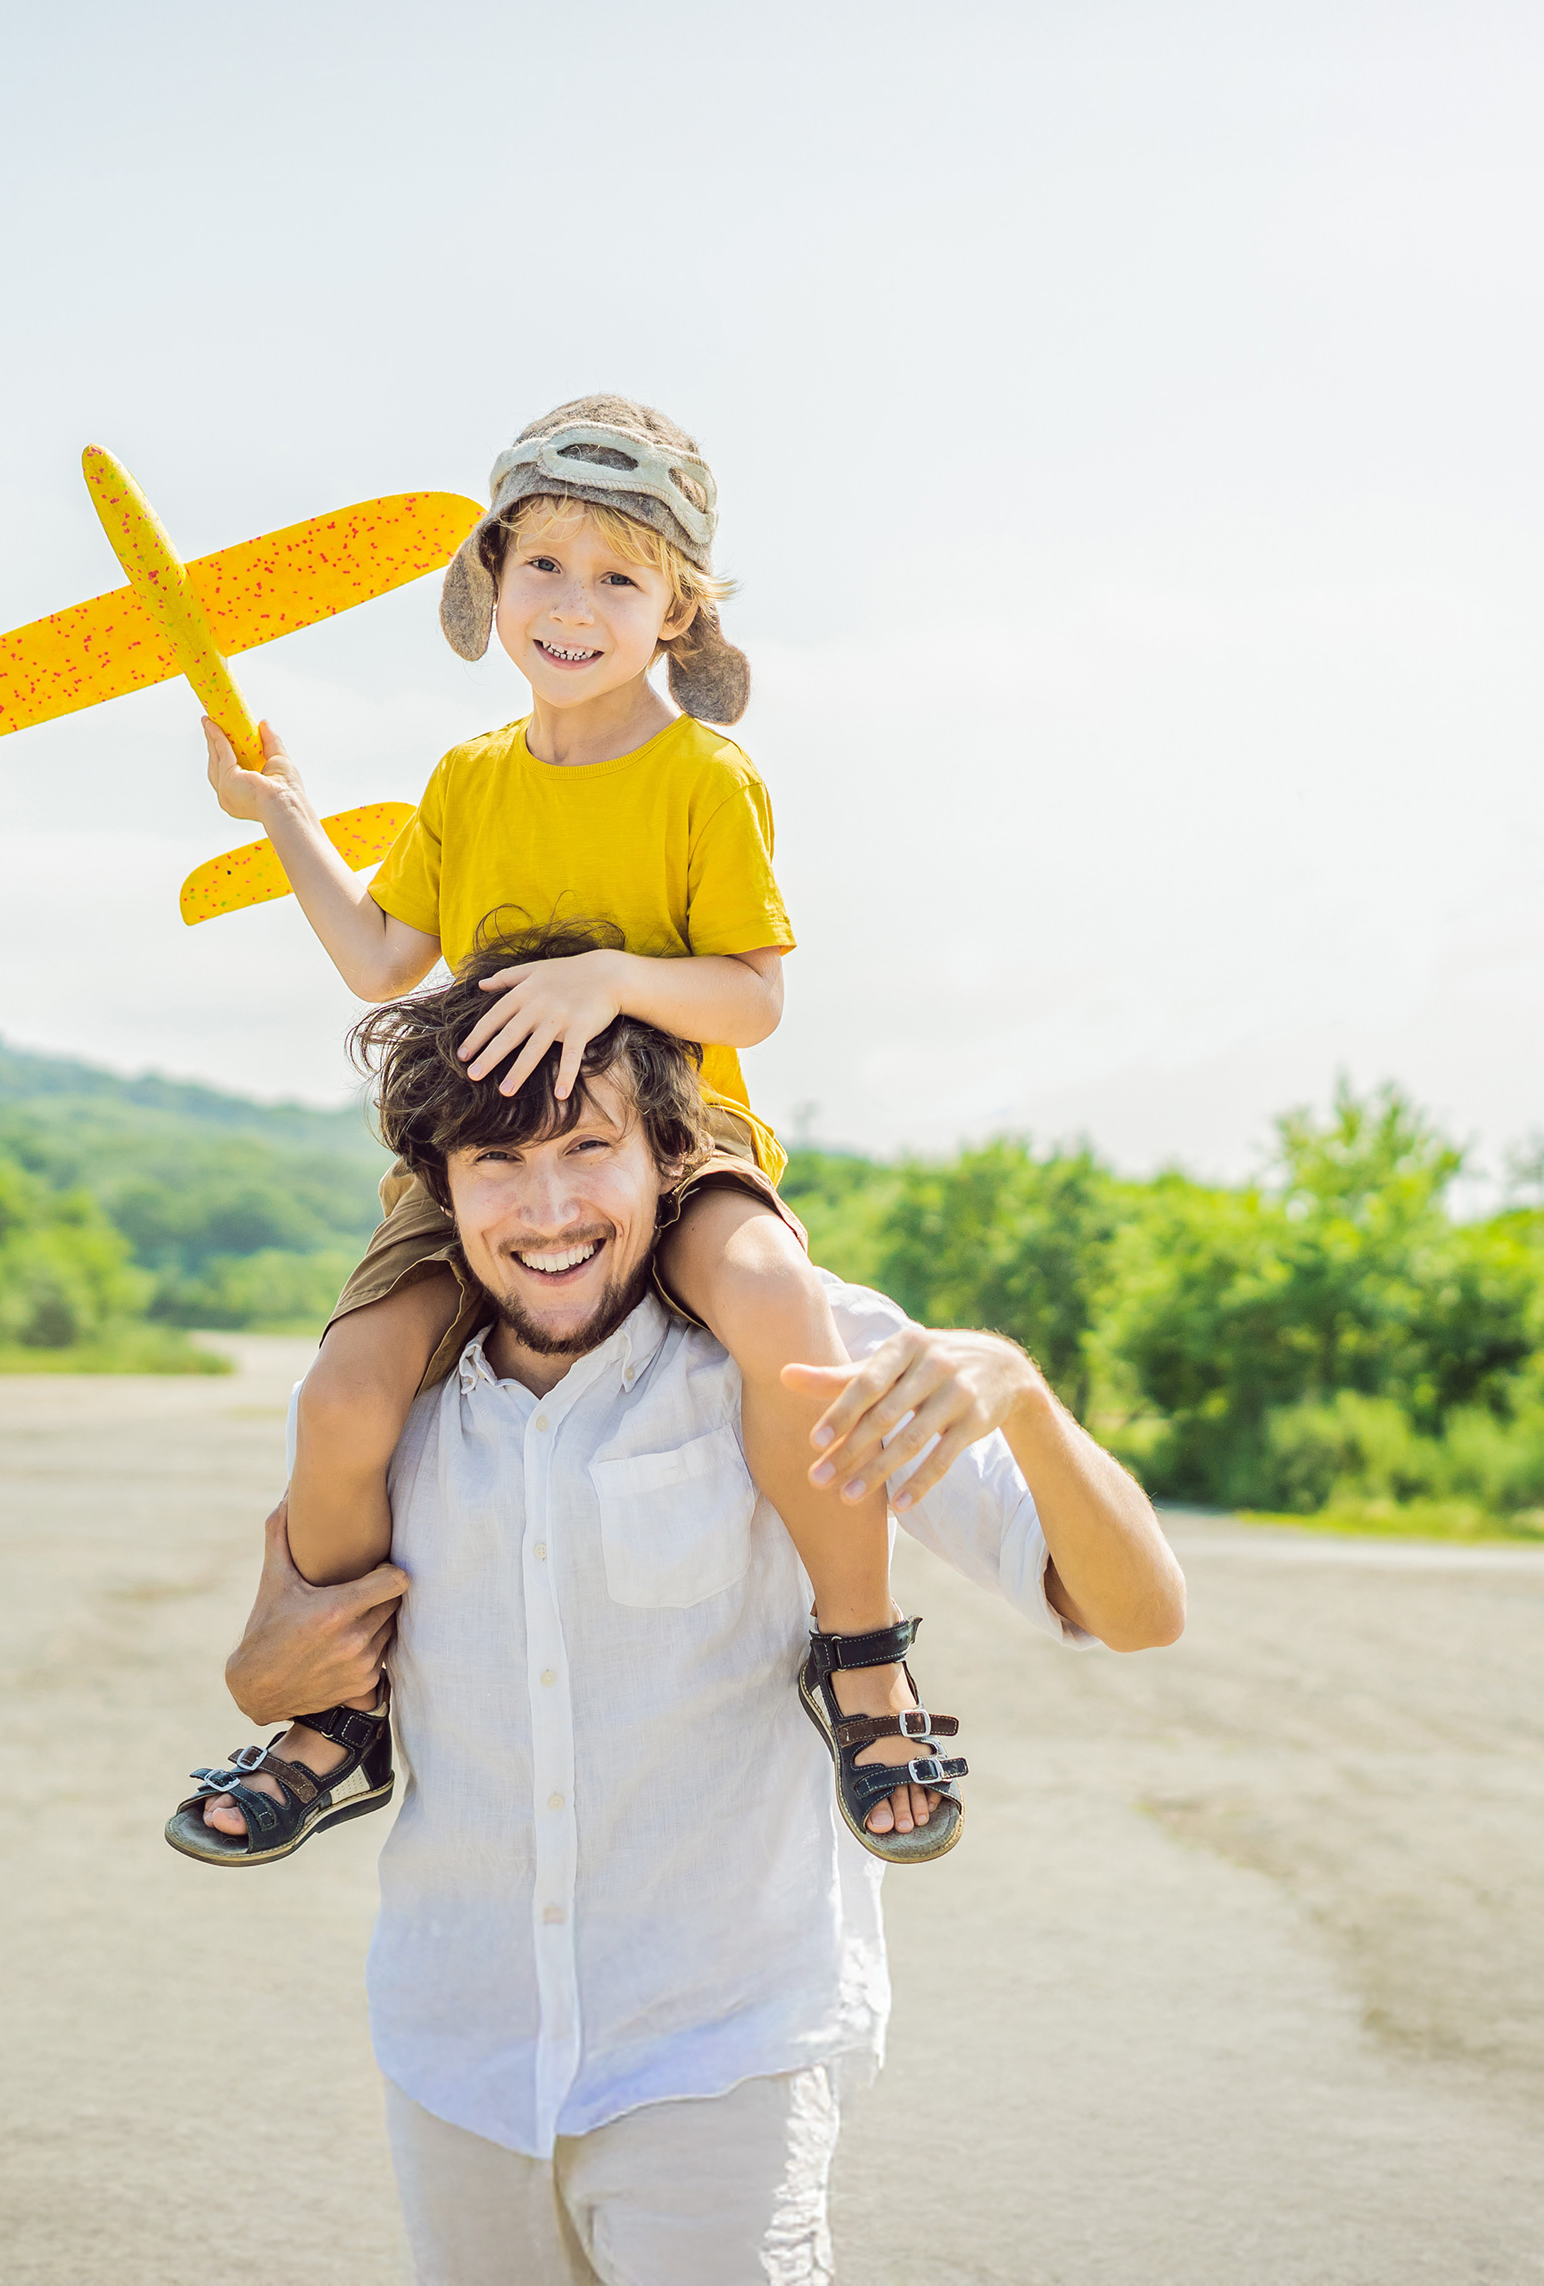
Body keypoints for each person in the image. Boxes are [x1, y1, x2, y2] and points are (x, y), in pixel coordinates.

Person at [207, 932, 1184, 2280]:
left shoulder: (798, 1347)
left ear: (669, 1161)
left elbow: (1136, 1610)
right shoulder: (388, 1402)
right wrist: (266, 1685)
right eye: (499, 1163)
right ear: (438, 1193)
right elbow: (279, 1669)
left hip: (723, 2062)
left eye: (588, 1150)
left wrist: (1018, 1389)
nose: (548, 1210)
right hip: (459, 2060)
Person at [171, 398, 957, 1868]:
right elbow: (380, 960)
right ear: (490, 582)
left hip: (679, 1142)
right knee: (346, 1394)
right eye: (544, 566)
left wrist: (605, 978)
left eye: (619, 577)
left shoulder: (702, 779)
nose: (574, 606)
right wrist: (280, 812)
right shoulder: (469, 780)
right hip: (485, 1159)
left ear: (678, 610)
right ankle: (340, 1711)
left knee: (784, 1311)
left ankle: (860, 1653)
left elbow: (755, 993)